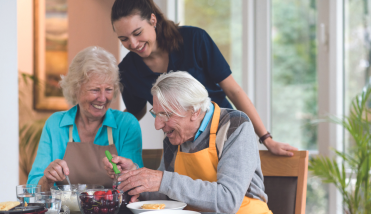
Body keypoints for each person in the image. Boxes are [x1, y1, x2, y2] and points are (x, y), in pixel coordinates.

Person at [111, 0, 297, 156]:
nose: (133, 44)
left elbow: (233, 90)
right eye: (124, 39)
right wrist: (105, 130)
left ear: (152, 20)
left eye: (137, 33)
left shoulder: (195, 40)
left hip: (226, 135)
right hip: (182, 146)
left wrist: (267, 139)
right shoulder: (127, 70)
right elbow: (135, 112)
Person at [103, 71, 272, 214]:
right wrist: (136, 176)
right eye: (156, 114)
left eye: (166, 115)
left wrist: (163, 180)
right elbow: (166, 195)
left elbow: (228, 200)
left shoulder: (234, 125)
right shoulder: (174, 136)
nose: (157, 125)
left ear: (195, 111)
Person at [27, 46, 143, 191]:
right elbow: (31, 188)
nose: (102, 98)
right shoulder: (55, 124)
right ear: (76, 89)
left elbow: (138, 188)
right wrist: (47, 180)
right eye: (94, 90)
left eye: (108, 89)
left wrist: (127, 174)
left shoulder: (127, 125)